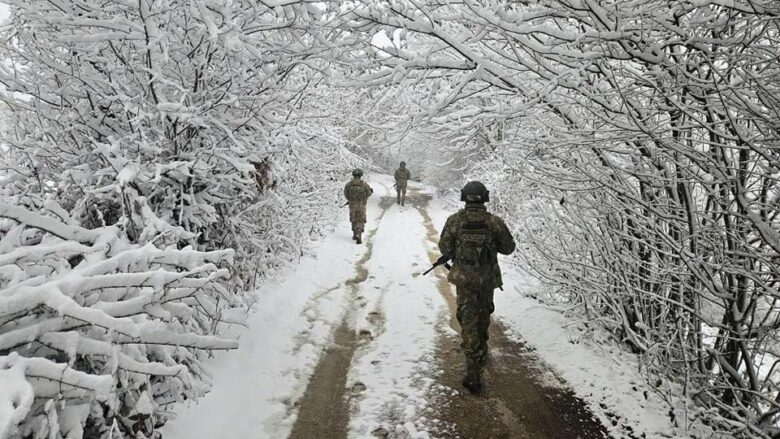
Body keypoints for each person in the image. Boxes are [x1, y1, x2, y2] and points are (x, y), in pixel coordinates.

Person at [437, 181, 516, 394]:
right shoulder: (494, 222)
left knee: (468, 318)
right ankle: (481, 351)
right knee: (483, 314)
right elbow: (508, 248)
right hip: (487, 280)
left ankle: (473, 375)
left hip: (465, 280)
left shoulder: (455, 221)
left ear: (464, 197)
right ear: (484, 198)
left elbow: (444, 246)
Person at [343, 169, 373, 244]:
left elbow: (346, 194)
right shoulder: (364, 184)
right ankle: (359, 234)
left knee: (353, 218)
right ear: (361, 175)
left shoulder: (349, 184)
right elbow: (369, 193)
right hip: (361, 205)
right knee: (361, 219)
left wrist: (350, 200)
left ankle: (354, 233)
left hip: (352, 205)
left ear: (353, 175)